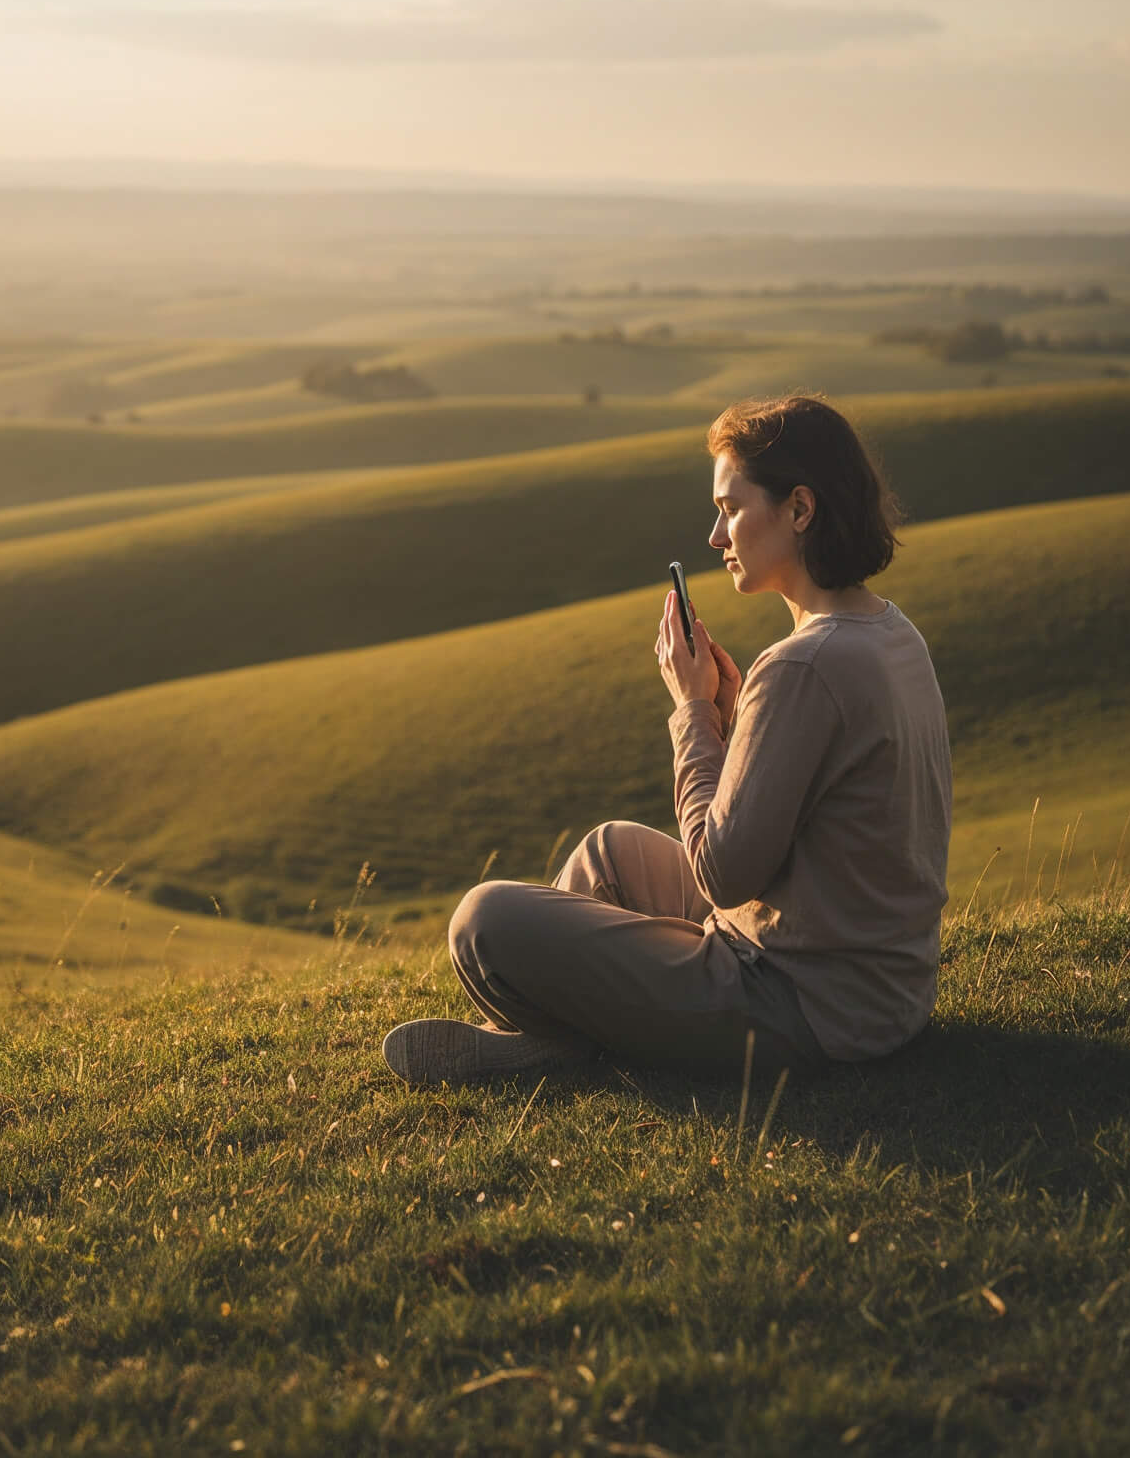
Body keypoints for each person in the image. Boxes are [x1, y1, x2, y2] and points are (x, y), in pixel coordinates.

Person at [383, 393, 952, 1086]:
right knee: (608, 853)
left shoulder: (803, 666)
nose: (715, 536)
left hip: (801, 1004)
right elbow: (816, 817)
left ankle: (562, 1046)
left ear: (800, 510)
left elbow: (720, 873)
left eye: (731, 509)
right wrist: (741, 721)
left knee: (483, 921)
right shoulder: (890, 632)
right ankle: (564, 1041)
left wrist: (692, 712)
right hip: (875, 988)